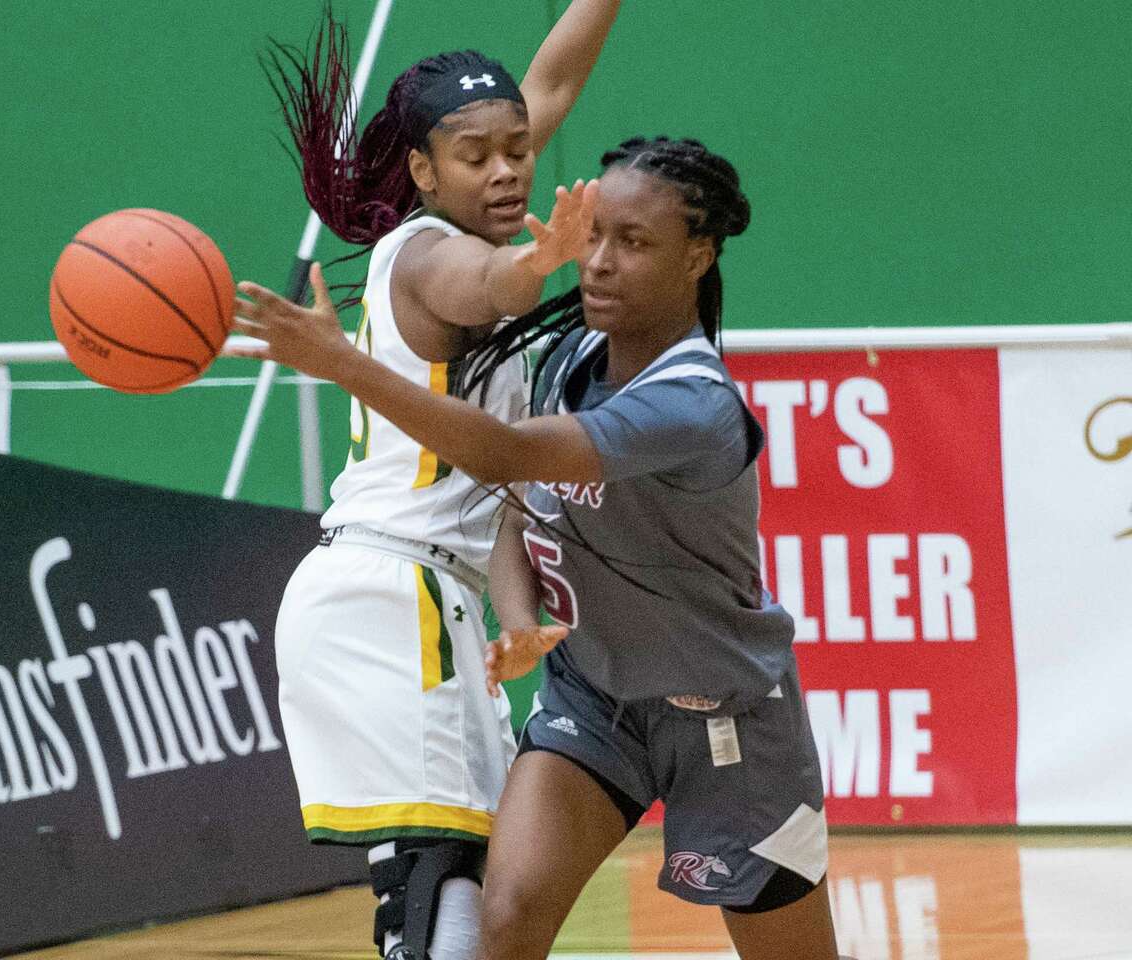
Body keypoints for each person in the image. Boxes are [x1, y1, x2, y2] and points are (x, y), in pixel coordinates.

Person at [234, 135, 843, 960]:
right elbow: (518, 507)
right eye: (593, 235)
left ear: (699, 255)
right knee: (504, 922)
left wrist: (345, 363)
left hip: (725, 714)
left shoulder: (692, 404)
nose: (596, 262)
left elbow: (506, 455)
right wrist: (519, 620)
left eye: (633, 243)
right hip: (594, 701)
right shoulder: (572, 357)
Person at [249, 5, 619, 960]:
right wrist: (539, 261)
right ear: (423, 169)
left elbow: (555, 80)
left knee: (469, 882)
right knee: (436, 884)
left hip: (419, 596)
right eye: (474, 156)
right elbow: (492, 286)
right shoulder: (428, 256)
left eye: (516, 152)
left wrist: (515, 615)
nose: (505, 170)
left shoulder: (476, 197)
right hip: (389, 599)